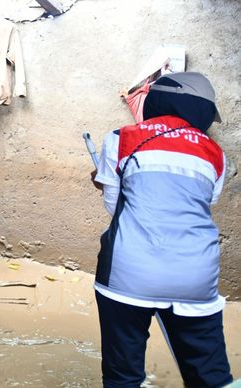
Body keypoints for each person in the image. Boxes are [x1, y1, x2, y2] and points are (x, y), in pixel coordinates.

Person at [91, 72, 233, 387]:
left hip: (128, 275)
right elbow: (198, 206)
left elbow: (116, 208)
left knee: (122, 376)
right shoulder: (216, 155)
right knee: (210, 377)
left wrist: (103, 183)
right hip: (195, 277)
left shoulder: (120, 137)